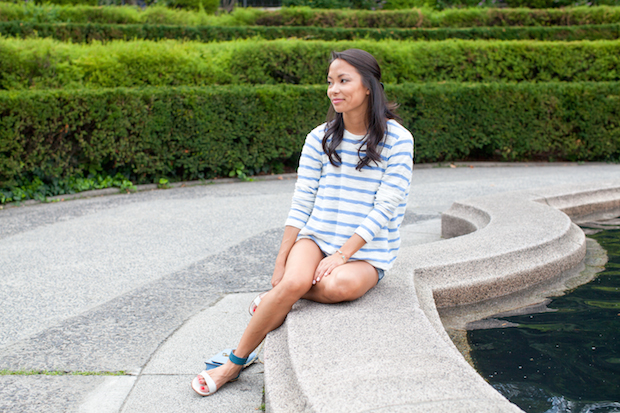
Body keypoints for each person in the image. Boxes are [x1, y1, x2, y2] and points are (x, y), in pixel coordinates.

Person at [192, 48, 414, 396]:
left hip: (367, 252)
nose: (334, 90)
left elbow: (385, 207)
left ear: (369, 86)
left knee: (337, 287)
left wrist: (341, 255)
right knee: (292, 281)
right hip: (315, 239)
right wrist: (281, 262)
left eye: (344, 81)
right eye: (330, 82)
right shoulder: (320, 138)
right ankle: (234, 363)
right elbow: (302, 201)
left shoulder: (398, 140)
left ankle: (276, 299)